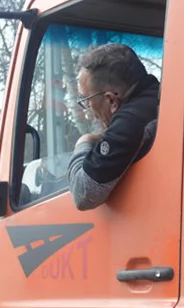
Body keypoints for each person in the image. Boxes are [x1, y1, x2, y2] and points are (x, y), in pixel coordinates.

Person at [66, 43, 160, 211]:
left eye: (87, 100)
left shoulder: (130, 122)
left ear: (111, 100)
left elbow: (84, 194)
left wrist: (84, 141)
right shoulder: (154, 96)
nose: (88, 109)